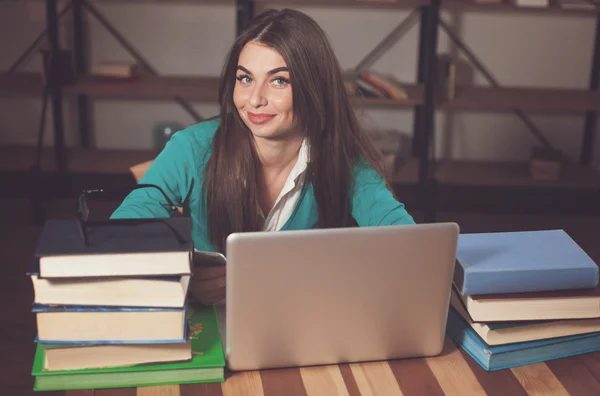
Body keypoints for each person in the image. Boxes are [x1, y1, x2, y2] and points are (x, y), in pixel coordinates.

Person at [110, 8, 415, 305]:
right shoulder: (191, 148)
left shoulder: (344, 160)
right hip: (211, 328)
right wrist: (182, 277)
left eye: (279, 80)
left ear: (314, 88)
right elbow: (119, 236)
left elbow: (409, 245)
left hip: (302, 323)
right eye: (245, 79)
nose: (255, 99)